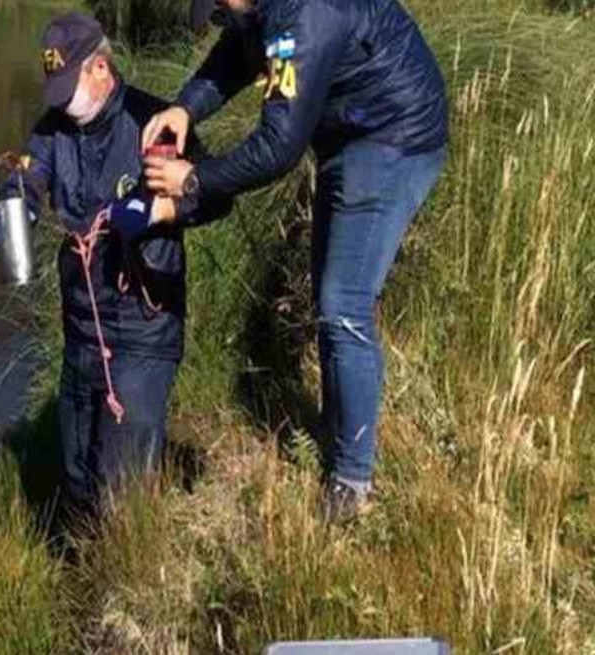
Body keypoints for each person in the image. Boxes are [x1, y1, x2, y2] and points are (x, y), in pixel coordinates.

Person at [140, 0, 449, 522]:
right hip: (349, 133)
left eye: (218, 5)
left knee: (342, 305)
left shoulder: (307, 16)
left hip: (392, 136)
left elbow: (278, 147)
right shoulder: (261, 9)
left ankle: (352, 480)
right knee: (335, 297)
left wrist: (192, 179)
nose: (219, 12)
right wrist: (185, 107)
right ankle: (338, 426)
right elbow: (237, 52)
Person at [0, 13, 232, 546]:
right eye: (53, 89)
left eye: (68, 87)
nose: (60, 101)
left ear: (100, 68)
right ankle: (84, 573)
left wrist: (166, 210)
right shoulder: (54, 127)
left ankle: (134, 579)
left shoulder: (155, 121)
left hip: (143, 328)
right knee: (77, 478)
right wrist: (14, 204)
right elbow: (28, 173)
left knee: (122, 491)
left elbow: (217, 195)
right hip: (81, 329)